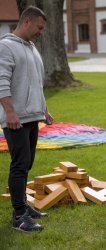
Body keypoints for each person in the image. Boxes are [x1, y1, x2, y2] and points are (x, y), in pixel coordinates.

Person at [0, 6, 53, 232]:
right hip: (16, 119)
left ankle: (23, 206)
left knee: (27, 162)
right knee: (20, 164)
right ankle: (19, 215)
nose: (41, 32)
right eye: (39, 28)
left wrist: (45, 109)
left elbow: (36, 84)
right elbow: (1, 80)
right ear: (26, 22)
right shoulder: (5, 47)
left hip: (32, 116)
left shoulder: (32, 48)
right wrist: (10, 112)